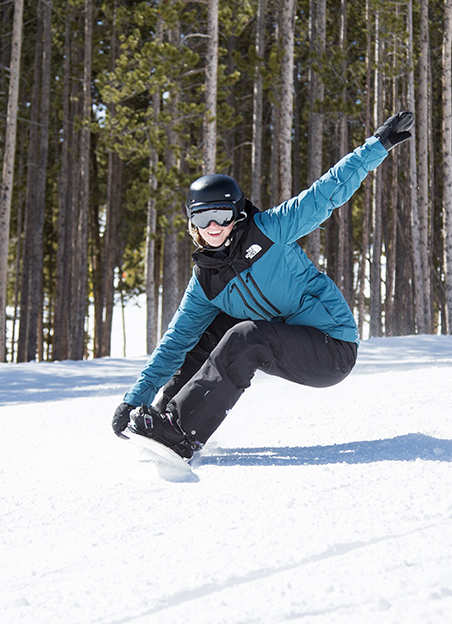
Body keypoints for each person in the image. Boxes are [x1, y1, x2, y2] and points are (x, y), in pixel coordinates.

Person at [111, 111, 416, 458]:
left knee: (246, 336)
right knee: (205, 332)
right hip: (280, 339)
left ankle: (181, 432)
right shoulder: (206, 282)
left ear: (237, 214)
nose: (213, 227)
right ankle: (162, 419)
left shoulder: (270, 230)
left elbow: (325, 193)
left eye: (221, 215)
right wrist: (133, 400)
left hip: (331, 347)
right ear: (192, 223)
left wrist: (376, 146)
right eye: (203, 218)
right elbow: (175, 344)